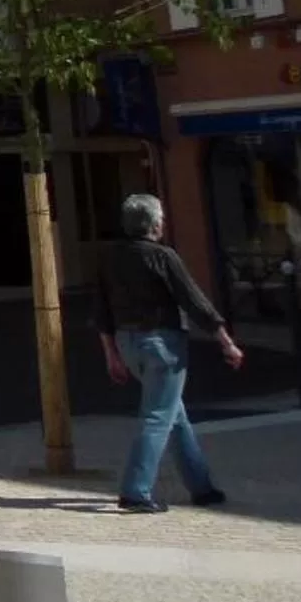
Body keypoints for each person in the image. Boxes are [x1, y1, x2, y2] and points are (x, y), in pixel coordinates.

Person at [94, 192, 242, 514]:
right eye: (160, 218)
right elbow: (194, 300)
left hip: (127, 342)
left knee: (174, 414)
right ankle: (135, 491)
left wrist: (111, 354)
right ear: (154, 224)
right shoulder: (163, 256)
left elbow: (102, 309)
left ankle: (201, 487)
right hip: (162, 343)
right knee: (159, 416)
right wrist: (225, 341)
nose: (163, 223)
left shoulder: (110, 257)